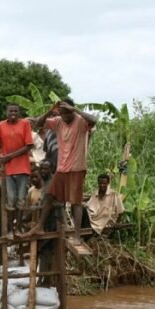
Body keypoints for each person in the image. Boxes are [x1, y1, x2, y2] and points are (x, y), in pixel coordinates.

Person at [24, 98, 98, 245]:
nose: (64, 116)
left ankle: (77, 235)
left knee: (75, 202)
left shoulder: (81, 121)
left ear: (72, 110)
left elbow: (94, 120)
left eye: (67, 113)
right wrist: (50, 110)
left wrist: (74, 109)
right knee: (50, 195)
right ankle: (39, 227)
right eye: (62, 113)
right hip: (62, 168)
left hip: (77, 168)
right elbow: (38, 123)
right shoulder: (58, 121)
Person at [0, 103, 34, 236]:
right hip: (8, 169)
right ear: (7, 112)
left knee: (21, 199)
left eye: (15, 110)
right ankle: (10, 229)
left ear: (19, 112)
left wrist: (10, 156)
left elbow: (29, 145)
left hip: (22, 167)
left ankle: (18, 228)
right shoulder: (0, 126)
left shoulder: (25, 124)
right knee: (11, 199)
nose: (13, 113)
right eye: (11, 111)